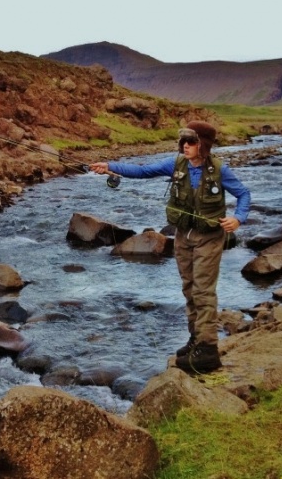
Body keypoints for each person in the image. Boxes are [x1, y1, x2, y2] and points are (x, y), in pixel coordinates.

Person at [89, 121, 251, 373]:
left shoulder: (220, 169)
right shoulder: (175, 165)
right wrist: (109, 167)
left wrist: (237, 218)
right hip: (183, 236)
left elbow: (244, 194)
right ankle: (195, 338)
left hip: (209, 237)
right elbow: (142, 171)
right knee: (188, 288)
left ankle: (208, 350)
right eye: (183, 142)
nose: (185, 146)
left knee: (203, 290)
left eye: (191, 142)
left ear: (203, 145)